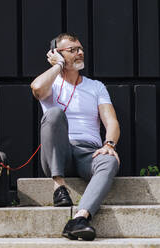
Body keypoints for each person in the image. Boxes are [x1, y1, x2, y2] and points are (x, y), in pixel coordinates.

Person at [30, 33, 120, 241]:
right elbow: (36, 88)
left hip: (88, 152)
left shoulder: (96, 87)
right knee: (54, 113)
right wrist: (58, 66)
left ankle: (79, 219)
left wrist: (109, 144)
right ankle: (59, 186)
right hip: (57, 153)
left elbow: (112, 122)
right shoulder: (50, 83)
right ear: (56, 53)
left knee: (109, 160)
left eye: (80, 49)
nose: (80, 53)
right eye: (73, 50)